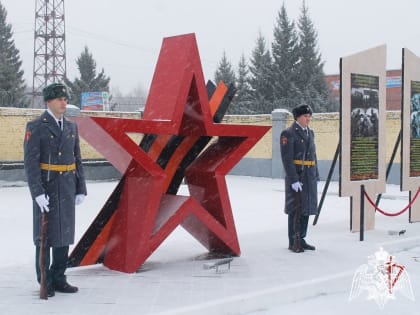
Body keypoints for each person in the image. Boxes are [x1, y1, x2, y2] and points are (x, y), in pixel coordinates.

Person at [24, 83, 87, 297]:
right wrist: (37, 193)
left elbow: (77, 158)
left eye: (65, 98)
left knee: (64, 234)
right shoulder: (36, 126)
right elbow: (31, 164)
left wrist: (81, 187)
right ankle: (45, 280)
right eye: (59, 98)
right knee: (45, 237)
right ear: (48, 101)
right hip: (48, 188)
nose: (64, 102)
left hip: (67, 187)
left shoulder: (71, 127)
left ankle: (60, 277)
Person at [280, 104, 319, 253]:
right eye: (305, 116)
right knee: (295, 209)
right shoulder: (288, 133)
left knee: (306, 208)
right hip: (298, 176)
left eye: (309, 116)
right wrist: (294, 179)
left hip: (309, 176)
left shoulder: (310, 132)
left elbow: (313, 155)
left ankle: (301, 239)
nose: (308, 119)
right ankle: (293, 241)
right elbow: (287, 158)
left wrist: (316, 174)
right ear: (297, 117)